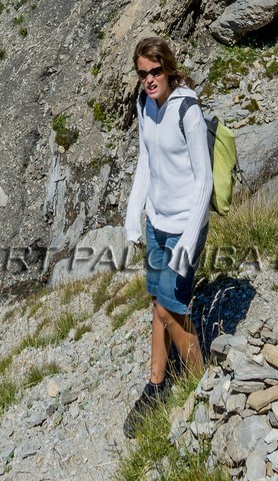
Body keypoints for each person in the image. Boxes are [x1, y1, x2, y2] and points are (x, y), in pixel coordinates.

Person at [123, 35, 212, 434]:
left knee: (168, 308)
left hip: (184, 227)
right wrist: (132, 214)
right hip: (156, 223)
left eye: (156, 71)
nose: (150, 80)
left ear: (168, 68)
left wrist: (188, 244)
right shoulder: (145, 105)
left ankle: (203, 386)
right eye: (143, 74)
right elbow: (146, 160)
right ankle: (157, 384)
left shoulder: (187, 110)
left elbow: (204, 182)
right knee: (157, 304)